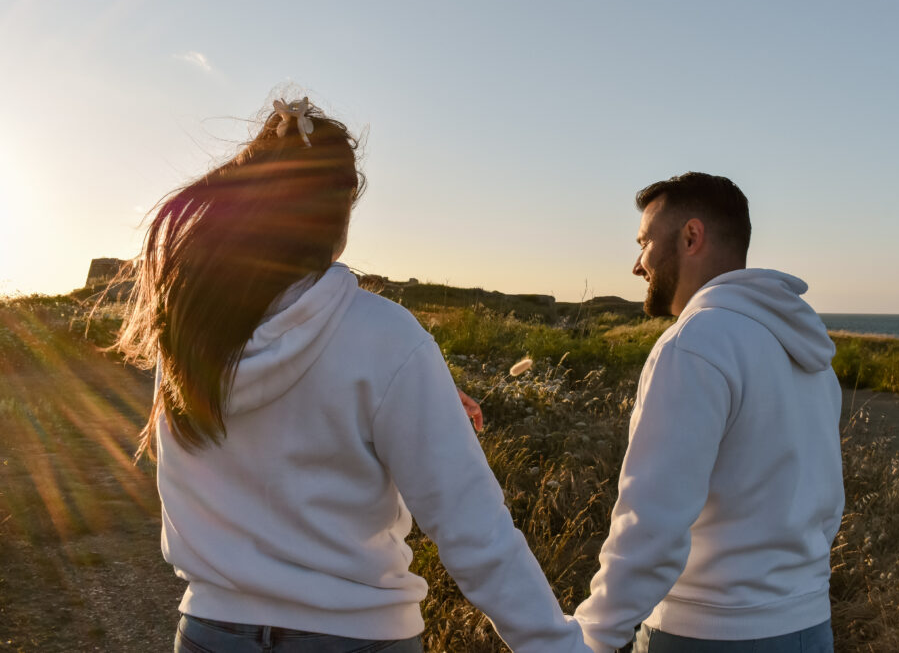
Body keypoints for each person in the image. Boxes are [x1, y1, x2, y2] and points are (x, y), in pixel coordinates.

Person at [116, 96, 591, 652]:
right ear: (339, 212)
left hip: (211, 633)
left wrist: (405, 395)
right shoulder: (385, 337)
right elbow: (475, 533)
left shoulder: (191, 331)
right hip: (356, 637)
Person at [573, 173, 844, 653]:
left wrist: (592, 638)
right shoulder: (812, 356)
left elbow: (651, 521)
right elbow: (825, 507)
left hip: (706, 631)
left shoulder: (696, 342)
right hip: (808, 628)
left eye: (644, 243)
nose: (638, 264)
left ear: (690, 236)